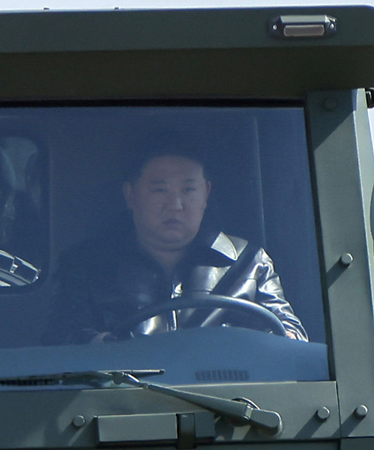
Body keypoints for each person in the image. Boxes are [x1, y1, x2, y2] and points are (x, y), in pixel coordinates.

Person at [40, 132, 305, 344]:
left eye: (188, 190)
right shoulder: (85, 266)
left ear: (206, 194)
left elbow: (291, 336)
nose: (176, 204)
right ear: (131, 195)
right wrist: (104, 347)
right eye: (159, 190)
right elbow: (60, 341)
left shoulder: (248, 262)